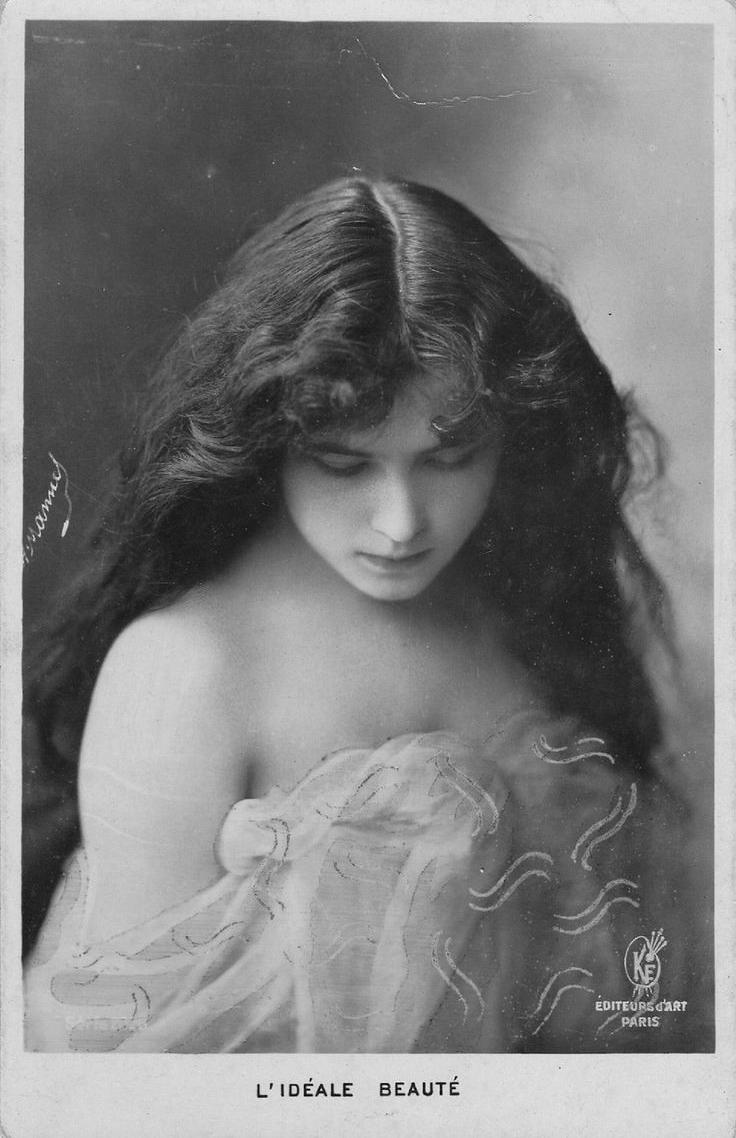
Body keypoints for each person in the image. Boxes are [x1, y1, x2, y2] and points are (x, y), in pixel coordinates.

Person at [23, 176, 707, 1053]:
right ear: (268, 440)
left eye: (449, 456)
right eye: (345, 464)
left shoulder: (522, 600)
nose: (403, 522)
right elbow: (127, 1071)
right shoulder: (185, 671)